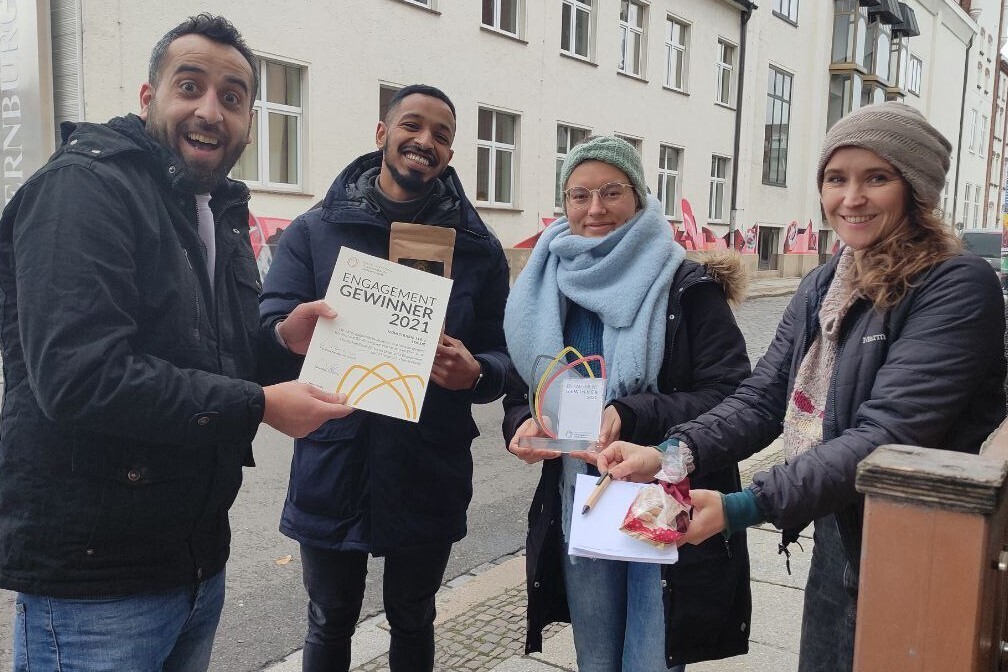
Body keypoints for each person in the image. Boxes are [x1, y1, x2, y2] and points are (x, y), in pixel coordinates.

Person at [597, 102, 1008, 672]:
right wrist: (670, 454)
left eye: (877, 178)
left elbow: (884, 436)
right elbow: (763, 398)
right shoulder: (826, 281)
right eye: (836, 179)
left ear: (915, 189)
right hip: (840, 524)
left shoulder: (955, 284)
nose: (851, 198)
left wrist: (746, 505)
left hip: (921, 540)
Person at [0, 14, 353, 672]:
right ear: (147, 97)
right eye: (188, 86)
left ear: (249, 120)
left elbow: (207, 353)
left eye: (231, 97)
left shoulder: (215, 207)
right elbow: (82, 377)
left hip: (194, 567)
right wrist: (259, 404)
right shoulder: (85, 189)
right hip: (96, 588)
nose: (209, 111)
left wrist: (280, 339)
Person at [259, 84, 511, 672]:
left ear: (450, 154)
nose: (424, 142)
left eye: (441, 136)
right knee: (328, 620)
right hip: (334, 459)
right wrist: (286, 332)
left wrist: (478, 373)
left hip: (428, 462)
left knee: (414, 616)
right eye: (412, 126)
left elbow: (505, 354)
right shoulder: (315, 230)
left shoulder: (478, 249)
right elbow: (269, 328)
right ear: (382, 134)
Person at [502, 135, 753, 671]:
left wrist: (634, 413)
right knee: (595, 656)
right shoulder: (547, 284)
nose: (594, 209)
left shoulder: (685, 283)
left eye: (611, 192)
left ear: (639, 197)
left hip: (660, 492)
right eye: (579, 195)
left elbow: (733, 393)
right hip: (582, 495)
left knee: (650, 659)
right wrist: (523, 422)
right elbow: (525, 381)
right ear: (563, 203)